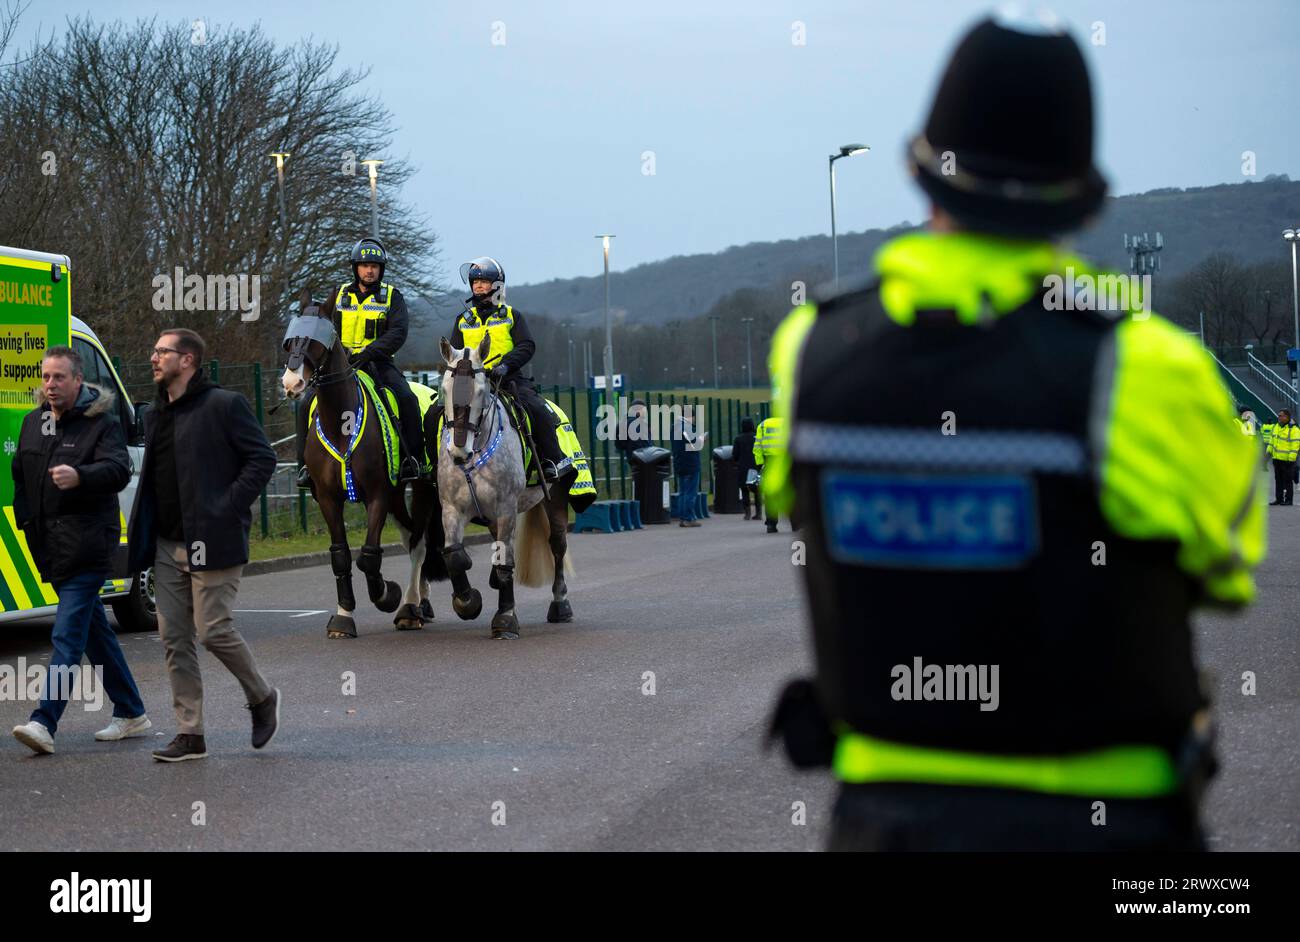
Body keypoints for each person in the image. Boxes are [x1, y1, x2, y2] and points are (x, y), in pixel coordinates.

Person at [765, 11, 1264, 851]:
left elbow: (795, 496)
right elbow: (1226, 563)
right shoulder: (1145, 366)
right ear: (1079, 196)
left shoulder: (810, 351)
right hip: (1107, 821)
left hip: (883, 817)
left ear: (926, 178)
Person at [127, 329, 280, 762]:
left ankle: (262, 696)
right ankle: (190, 733)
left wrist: (227, 506)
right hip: (166, 544)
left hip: (213, 539)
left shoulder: (224, 405)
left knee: (212, 630)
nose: (154, 358)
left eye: (162, 352)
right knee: (174, 639)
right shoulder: (155, 415)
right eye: (154, 350)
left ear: (188, 359)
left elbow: (262, 458)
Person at [10, 347, 149, 754]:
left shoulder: (100, 424)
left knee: (67, 633)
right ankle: (131, 711)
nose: (50, 385)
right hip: (51, 545)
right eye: (45, 377)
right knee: (94, 632)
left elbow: (119, 469)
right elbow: (21, 473)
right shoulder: (32, 422)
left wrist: (80, 475)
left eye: (58, 378)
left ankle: (43, 721)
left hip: (89, 543)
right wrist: (24, 518)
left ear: (77, 380)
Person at [296, 238, 426, 487]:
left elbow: (397, 333)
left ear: (381, 269)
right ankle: (304, 466)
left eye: (375, 266)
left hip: (378, 364)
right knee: (305, 405)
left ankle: (413, 460)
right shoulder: (340, 295)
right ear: (356, 268)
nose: (369, 270)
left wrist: (368, 352)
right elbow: (325, 328)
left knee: (406, 398)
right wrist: (339, 354)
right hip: (338, 368)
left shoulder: (392, 297)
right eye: (365, 265)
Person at [450, 256, 570, 482]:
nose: (478, 286)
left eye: (484, 281)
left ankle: (551, 461)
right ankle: (433, 464)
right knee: (436, 413)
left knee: (537, 409)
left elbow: (527, 345)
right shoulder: (462, 320)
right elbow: (455, 353)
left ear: (496, 285)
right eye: (475, 281)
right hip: (470, 384)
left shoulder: (511, 316)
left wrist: (505, 365)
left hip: (506, 380)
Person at [754, 414, 792, 532]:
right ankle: (795, 523)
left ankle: (771, 524)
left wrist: (759, 464)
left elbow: (757, 447)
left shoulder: (763, 425)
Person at [671, 407, 704, 527]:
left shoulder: (674, 426)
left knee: (683, 492)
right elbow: (694, 443)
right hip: (690, 463)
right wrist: (701, 439)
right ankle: (688, 518)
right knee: (690, 492)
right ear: (691, 416)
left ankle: (682, 517)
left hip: (679, 462)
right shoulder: (687, 427)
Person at [1268, 408, 1299, 505]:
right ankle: (1279, 499)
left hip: (1287, 460)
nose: (1279, 417)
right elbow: (1272, 441)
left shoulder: (1294, 429)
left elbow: (1296, 444)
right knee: (1278, 480)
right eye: (1279, 415)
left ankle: (1289, 500)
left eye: (1281, 415)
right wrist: (1268, 453)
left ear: (1287, 417)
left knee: (1288, 481)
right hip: (1277, 459)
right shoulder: (1276, 427)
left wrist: (1291, 458)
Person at [733, 416, 761, 520]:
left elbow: (735, 454)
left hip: (743, 467)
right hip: (755, 467)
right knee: (757, 490)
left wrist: (737, 462)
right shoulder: (756, 437)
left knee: (744, 490)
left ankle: (747, 513)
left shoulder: (738, 439)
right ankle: (759, 513)